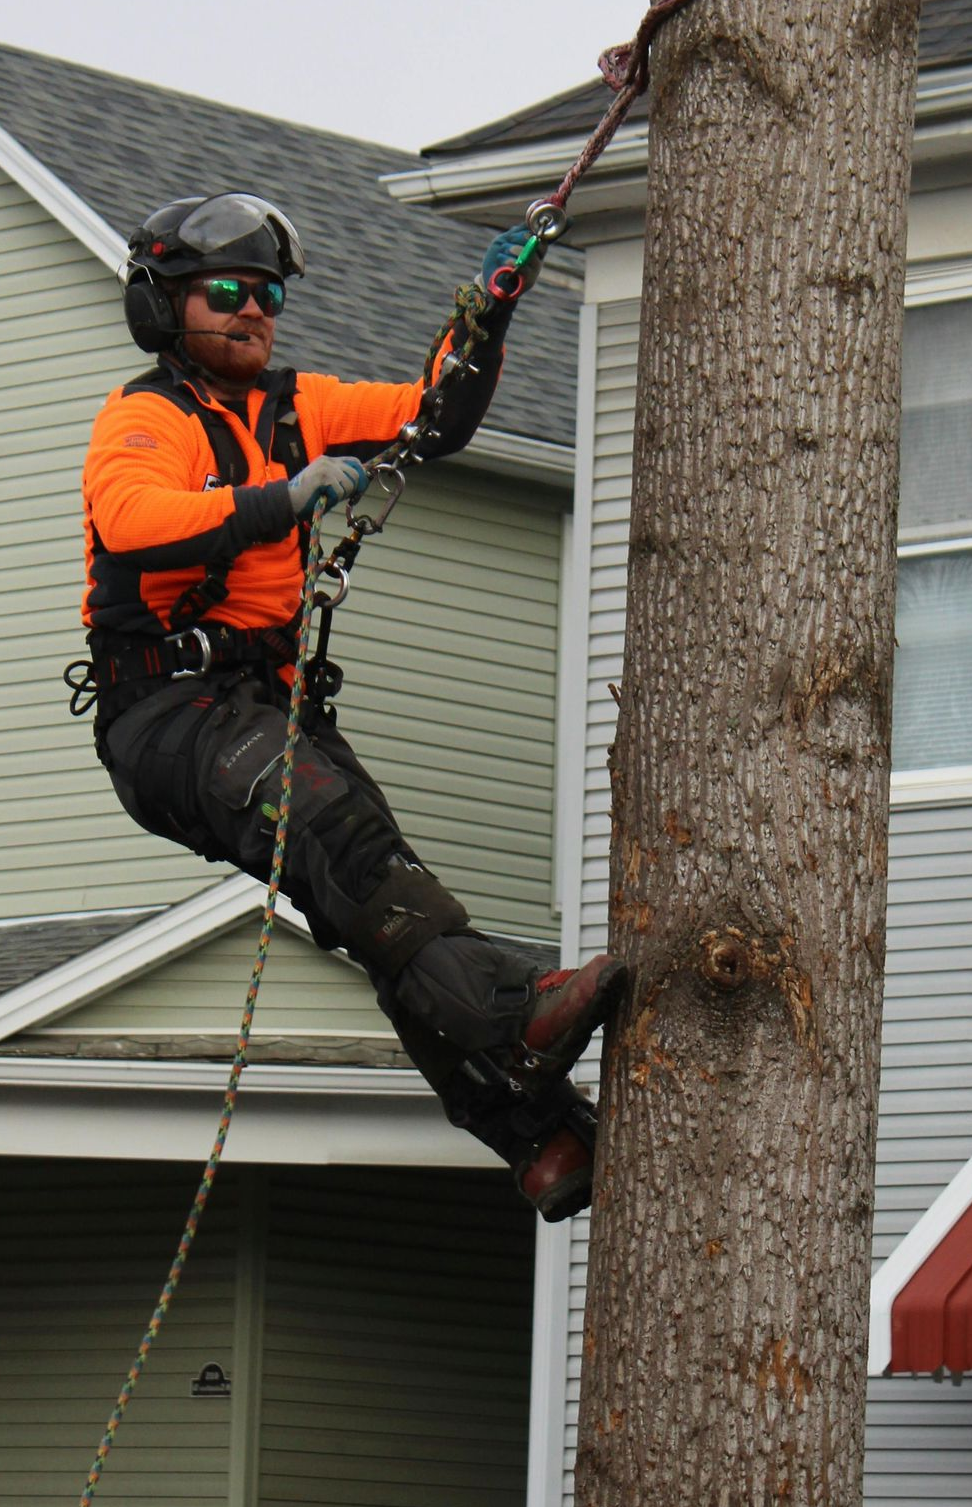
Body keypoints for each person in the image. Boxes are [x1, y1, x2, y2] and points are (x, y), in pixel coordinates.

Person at [74, 191, 623, 1220]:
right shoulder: (143, 419)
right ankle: (513, 1014)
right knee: (338, 832)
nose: (253, 312)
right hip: (166, 713)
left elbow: (434, 412)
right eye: (228, 293)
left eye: (268, 296)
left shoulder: (298, 404)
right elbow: (138, 522)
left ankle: (537, 1136)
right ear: (165, 308)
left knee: (381, 895)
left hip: (262, 705)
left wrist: (487, 315)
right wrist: (283, 499)